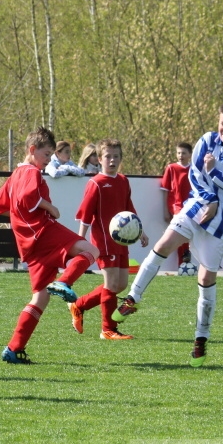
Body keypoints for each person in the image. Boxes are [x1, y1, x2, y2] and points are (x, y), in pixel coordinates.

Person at [112, 102, 223, 367]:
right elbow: (195, 175)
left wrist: (215, 173)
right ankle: (133, 298)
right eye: (222, 122)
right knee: (164, 244)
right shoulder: (207, 140)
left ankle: (201, 340)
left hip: (220, 225)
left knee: (206, 277)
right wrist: (210, 199)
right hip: (196, 207)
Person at [0, 127, 100, 363]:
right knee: (91, 250)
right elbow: (28, 198)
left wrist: (3, 213)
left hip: (30, 244)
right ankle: (64, 281)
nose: (49, 160)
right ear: (32, 150)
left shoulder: (16, 174)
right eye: (46, 154)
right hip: (42, 232)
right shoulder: (31, 172)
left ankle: (13, 349)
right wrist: (51, 207)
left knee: (40, 298)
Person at [69, 139, 149, 340]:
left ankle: (79, 305)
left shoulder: (123, 181)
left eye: (116, 156)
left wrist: (141, 231)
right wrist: (80, 241)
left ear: (121, 159)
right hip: (103, 241)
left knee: (119, 285)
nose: (112, 160)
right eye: (107, 156)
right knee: (112, 284)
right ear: (99, 158)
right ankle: (108, 329)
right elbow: (85, 215)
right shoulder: (95, 183)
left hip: (121, 241)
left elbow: (129, 209)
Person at [159, 142, 193, 266]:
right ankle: (183, 261)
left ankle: (185, 260)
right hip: (177, 207)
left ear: (190, 154)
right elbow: (165, 190)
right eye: (178, 153)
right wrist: (165, 211)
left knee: (187, 234)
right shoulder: (171, 168)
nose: (180, 155)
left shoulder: (193, 169)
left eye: (183, 153)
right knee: (180, 233)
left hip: (191, 207)